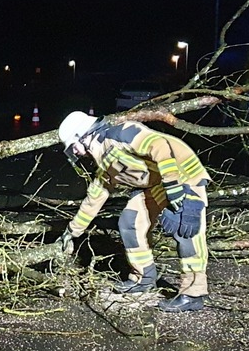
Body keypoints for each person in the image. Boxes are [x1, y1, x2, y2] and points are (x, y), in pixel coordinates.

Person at [56, 111, 210, 312]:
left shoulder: (122, 133)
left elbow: (159, 146)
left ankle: (193, 293)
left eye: (72, 147)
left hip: (183, 175)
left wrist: (173, 184)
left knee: (186, 229)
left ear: (82, 136)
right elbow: (93, 199)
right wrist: (72, 231)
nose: (75, 153)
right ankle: (143, 278)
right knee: (130, 222)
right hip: (155, 183)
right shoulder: (104, 161)